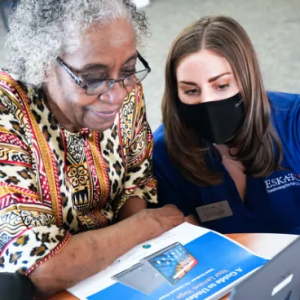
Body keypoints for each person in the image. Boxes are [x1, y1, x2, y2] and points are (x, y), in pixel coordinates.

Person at [0, 0, 184, 298]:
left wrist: (132, 261)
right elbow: (42, 268)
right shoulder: (6, 112)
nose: (116, 95)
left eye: (128, 69)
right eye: (94, 78)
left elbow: (136, 182)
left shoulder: (125, 88)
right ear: (42, 61)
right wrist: (146, 226)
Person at [153, 15, 300, 236]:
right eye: (191, 91)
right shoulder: (165, 151)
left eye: (221, 85)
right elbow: (190, 244)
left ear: (247, 79)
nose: (207, 101)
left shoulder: (293, 120)